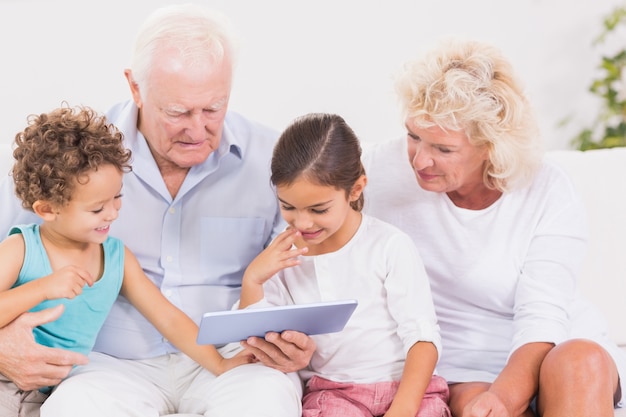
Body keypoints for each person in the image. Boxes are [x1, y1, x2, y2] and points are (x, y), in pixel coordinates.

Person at [0, 4, 314, 416]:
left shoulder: (275, 162)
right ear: (135, 88)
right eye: (177, 112)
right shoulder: (73, 163)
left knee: (263, 403)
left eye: (214, 108)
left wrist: (299, 338)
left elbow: (309, 274)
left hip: (234, 357)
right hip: (107, 365)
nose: (198, 129)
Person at [361, 37, 626, 417]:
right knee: (474, 406)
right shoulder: (379, 171)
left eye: (443, 149)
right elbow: (318, 227)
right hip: (465, 367)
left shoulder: (547, 189)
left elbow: (543, 317)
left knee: (579, 361)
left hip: (554, 348)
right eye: (413, 136)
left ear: (491, 146)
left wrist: (504, 398)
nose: (420, 160)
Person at [0, 105, 255, 416]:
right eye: (97, 209)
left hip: (57, 390)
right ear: (47, 210)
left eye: (117, 197)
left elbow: (168, 318)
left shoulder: (116, 258)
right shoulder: (21, 248)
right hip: (9, 380)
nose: (112, 213)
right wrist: (42, 288)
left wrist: (220, 364)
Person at [239, 112, 451, 417]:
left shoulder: (389, 245)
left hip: (408, 390)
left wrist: (402, 409)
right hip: (335, 393)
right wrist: (253, 280)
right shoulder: (282, 256)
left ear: (355, 189)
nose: (303, 222)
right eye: (288, 207)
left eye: (319, 209)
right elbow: (259, 338)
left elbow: (422, 336)